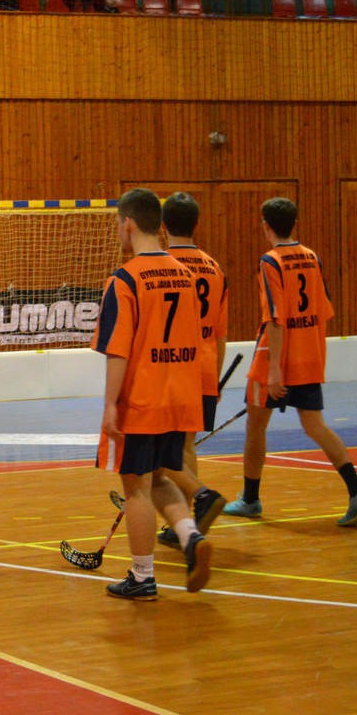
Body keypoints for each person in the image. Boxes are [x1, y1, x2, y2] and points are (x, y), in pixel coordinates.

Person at [222, 198, 357, 526]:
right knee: (315, 425)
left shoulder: (270, 261)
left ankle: (250, 499)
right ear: (294, 224)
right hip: (309, 354)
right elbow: (324, 309)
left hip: (273, 357)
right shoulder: (312, 257)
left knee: (255, 425)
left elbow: (275, 318)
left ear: (265, 226)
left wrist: (276, 368)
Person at [93, 188, 211, 600]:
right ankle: (191, 536)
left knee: (136, 488)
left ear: (128, 224)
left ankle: (142, 576)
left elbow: (118, 350)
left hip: (142, 399)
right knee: (160, 477)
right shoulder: (186, 275)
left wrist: (110, 404)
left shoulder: (125, 280)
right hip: (179, 395)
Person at [156, 193, 229, 549]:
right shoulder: (215, 269)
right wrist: (215, 377)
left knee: (159, 450)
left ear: (162, 227)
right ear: (197, 225)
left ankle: (194, 506)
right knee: (185, 445)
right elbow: (220, 333)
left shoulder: (159, 267)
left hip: (171, 369)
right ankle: (187, 523)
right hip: (204, 368)